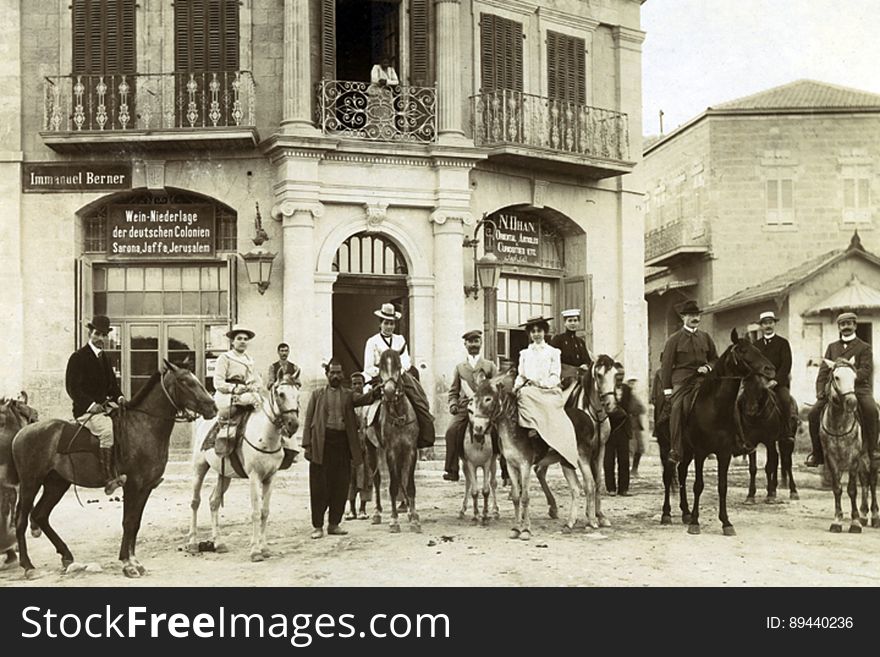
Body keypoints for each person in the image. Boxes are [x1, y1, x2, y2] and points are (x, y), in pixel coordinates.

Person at [302, 360, 373, 539]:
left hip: (342, 444)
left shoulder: (349, 395)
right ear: (327, 374)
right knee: (319, 487)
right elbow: (308, 419)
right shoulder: (317, 395)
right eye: (332, 373)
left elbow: (365, 399)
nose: (335, 376)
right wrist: (307, 444)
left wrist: (378, 387)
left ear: (342, 375)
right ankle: (317, 526)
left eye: (338, 373)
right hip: (322, 444)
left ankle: (334, 524)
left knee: (340, 485)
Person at [65, 314, 126, 495]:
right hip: (86, 412)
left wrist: (120, 398)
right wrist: (91, 405)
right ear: (90, 333)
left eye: (103, 335)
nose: (100, 338)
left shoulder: (104, 358)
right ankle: (108, 478)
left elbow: (113, 386)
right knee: (107, 430)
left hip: (105, 408)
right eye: (97, 334)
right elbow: (73, 388)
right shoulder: (78, 357)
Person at [806, 311, 877, 466]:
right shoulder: (832, 347)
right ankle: (817, 453)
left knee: (871, 410)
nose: (846, 327)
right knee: (813, 414)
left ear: (855, 326)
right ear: (839, 327)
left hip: (857, 388)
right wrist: (820, 391)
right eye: (843, 324)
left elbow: (866, 369)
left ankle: (873, 451)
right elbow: (823, 372)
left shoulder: (864, 347)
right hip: (835, 389)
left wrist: (848, 376)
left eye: (849, 324)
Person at [363, 303, 435, 448]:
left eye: (391, 323)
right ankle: (368, 433)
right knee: (367, 406)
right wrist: (384, 373)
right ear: (380, 324)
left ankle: (425, 433)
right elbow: (368, 366)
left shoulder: (400, 340)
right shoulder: (372, 342)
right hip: (379, 377)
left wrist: (397, 372)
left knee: (417, 397)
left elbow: (406, 360)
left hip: (399, 376)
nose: (389, 326)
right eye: (386, 323)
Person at [514, 316, 579, 468]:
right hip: (529, 389)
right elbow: (521, 375)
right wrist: (516, 386)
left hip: (548, 389)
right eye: (533, 331)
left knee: (546, 401)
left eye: (539, 331)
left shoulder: (553, 352)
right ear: (530, 334)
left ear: (545, 332)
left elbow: (555, 375)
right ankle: (528, 432)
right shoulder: (524, 353)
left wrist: (541, 384)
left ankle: (549, 436)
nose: (536, 334)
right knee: (521, 396)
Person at [660, 300, 718, 465]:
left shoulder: (705, 337)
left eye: (697, 315)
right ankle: (676, 449)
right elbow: (666, 366)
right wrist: (667, 390)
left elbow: (715, 359)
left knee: (721, 401)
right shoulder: (674, 339)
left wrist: (708, 367)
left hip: (703, 379)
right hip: (682, 380)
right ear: (683, 317)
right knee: (677, 407)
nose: (695, 318)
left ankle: (723, 441)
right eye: (691, 315)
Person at [443, 330, 498, 482]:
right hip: (466, 406)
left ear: (481, 343)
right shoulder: (460, 367)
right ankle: (452, 469)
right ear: (465, 344)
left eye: (476, 341)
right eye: (470, 342)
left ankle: (505, 468)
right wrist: (453, 403)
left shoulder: (489, 366)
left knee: (500, 430)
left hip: (485, 408)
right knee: (451, 431)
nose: (473, 345)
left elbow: (498, 388)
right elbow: (453, 390)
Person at [212, 324, 263, 454]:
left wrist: (254, 386)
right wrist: (234, 389)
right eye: (239, 338)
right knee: (236, 408)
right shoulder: (225, 358)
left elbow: (258, 381)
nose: (242, 342)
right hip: (228, 394)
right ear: (233, 341)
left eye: (245, 339)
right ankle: (222, 439)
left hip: (247, 393)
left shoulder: (250, 360)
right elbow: (218, 382)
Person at [751, 310, 797, 442]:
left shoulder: (782, 343)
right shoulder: (756, 345)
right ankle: (743, 434)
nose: (768, 326)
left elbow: (786, 365)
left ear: (774, 324)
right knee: (743, 400)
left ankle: (786, 431)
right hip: (759, 383)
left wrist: (775, 381)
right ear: (761, 326)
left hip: (778, 383)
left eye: (770, 322)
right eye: (765, 323)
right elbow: (752, 365)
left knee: (785, 400)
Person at [550, 308, 593, 403]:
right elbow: (552, 360)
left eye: (575, 320)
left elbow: (587, 360)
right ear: (565, 323)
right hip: (565, 378)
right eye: (570, 321)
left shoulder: (581, 342)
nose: (573, 323)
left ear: (578, 323)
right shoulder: (558, 340)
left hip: (581, 378)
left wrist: (585, 365)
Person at [604, 363, 632, 495]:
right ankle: (610, 488)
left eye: (622, 374)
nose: (620, 377)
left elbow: (631, 408)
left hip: (624, 429)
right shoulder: (607, 389)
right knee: (608, 460)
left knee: (624, 460)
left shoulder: (627, 389)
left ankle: (623, 489)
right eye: (618, 374)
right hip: (610, 429)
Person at [346, 371, 371, 520]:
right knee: (351, 477)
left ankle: (363, 508)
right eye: (354, 383)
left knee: (366, 476)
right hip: (350, 445)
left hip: (366, 444)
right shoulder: (348, 403)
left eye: (359, 383)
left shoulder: (368, 405)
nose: (357, 386)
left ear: (364, 385)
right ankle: (352, 509)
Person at [627, 377, 648, 478]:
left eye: (633, 384)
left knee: (639, 448)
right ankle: (628, 469)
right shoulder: (625, 396)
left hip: (636, 426)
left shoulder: (635, 397)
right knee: (629, 449)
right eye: (630, 383)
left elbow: (643, 409)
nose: (632, 386)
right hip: (628, 426)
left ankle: (634, 469)